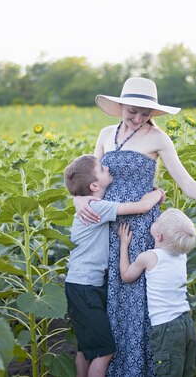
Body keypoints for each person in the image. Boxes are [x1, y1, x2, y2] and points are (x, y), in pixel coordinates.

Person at [73, 77, 196, 377]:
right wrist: (81, 202)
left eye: (145, 113)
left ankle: (140, 369)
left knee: (138, 296)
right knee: (109, 294)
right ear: (120, 106)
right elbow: (92, 181)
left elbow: (186, 183)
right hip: (108, 224)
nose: (138, 118)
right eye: (132, 111)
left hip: (143, 228)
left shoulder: (159, 139)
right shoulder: (106, 134)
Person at [64, 154, 165, 377]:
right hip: (86, 287)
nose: (107, 166)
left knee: (85, 348)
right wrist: (158, 192)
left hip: (77, 284)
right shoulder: (97, 206)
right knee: (104, 352)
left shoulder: (87, 204)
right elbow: (142, 206)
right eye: (102, 168)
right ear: (94, 185)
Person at [118, 208, 196, 377]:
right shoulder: (182, 256)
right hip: (186, 323)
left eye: (157, 221)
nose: (154, 220)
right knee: (187, 371)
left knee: (168, 372)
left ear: (159, 236)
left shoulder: (149, 257)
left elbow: (126, 276)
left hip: (167, 327)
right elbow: (177, 229)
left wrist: (124, 244)